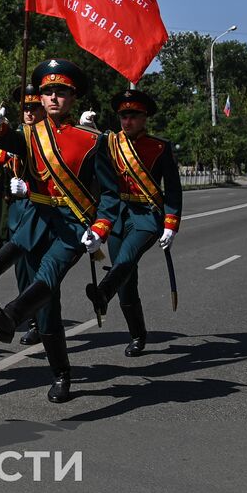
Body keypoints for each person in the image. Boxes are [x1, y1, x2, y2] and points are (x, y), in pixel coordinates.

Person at [0, 59, 119, 403]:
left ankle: (13, 314)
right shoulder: (30, 135)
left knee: (49, 274)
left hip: (72, 225)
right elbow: (11, 142)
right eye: (47, 92)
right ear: (40, 98)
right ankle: (62, 373)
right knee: (48, 307)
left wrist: (101, 227)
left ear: (73, 98)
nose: (54, 98)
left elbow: (110, 192)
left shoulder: (92, 140)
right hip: (38, 221)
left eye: (61, 92)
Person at [84, 89, 182, 356]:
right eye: (123, 116)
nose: (127, 121)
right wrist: (86, 130)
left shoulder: (160, 147)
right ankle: (138, 335)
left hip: (146, 215)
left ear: (145, 117)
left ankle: (103, 292)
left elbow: (172, 189)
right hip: (118, 214)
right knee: (126, 280)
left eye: (133, 116)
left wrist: (171, 223)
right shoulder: (110, 143)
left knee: (126, 259)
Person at [0, 85, 45, 345]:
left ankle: (41, 323)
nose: (28, 112)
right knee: (22, 271)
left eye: (33, 107)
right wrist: (2, 152)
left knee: (40, 271)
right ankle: (30, 319)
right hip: (18, 213)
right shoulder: (18, 138)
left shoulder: (50, 139)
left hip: (42, 212)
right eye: (24, 108)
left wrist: (30, 188)